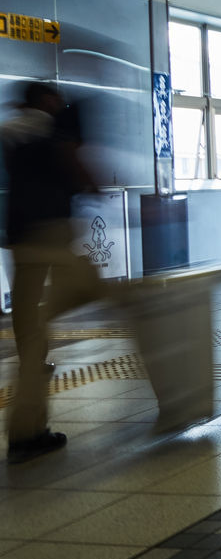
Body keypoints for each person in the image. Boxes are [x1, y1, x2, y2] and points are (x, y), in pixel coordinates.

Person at [1, 82, 101, 463]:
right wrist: (90, 184)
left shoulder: (9, 130)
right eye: (54, 97)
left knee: (30, 339)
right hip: (54, 234)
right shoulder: (53, 127)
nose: (60, 102)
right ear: (44, 100)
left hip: (21, 239)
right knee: (103, 291)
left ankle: (25, 433)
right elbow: (75, 165)